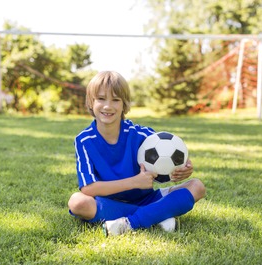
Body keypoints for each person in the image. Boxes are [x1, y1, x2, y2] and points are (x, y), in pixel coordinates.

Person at [68, 71, 206, 236]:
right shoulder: (83, 140)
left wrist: (183, 169)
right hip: (109, 202)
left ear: (124, 104)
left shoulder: (140, 134)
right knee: (77, 202)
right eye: (101, 98)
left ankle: (129, 224)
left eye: (116, 100)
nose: (108, 106)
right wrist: (134, 182)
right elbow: (88, 189)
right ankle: (156, 214)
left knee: (197, 186)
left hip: (147, 198)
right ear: (91, 102)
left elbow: (167, 159)